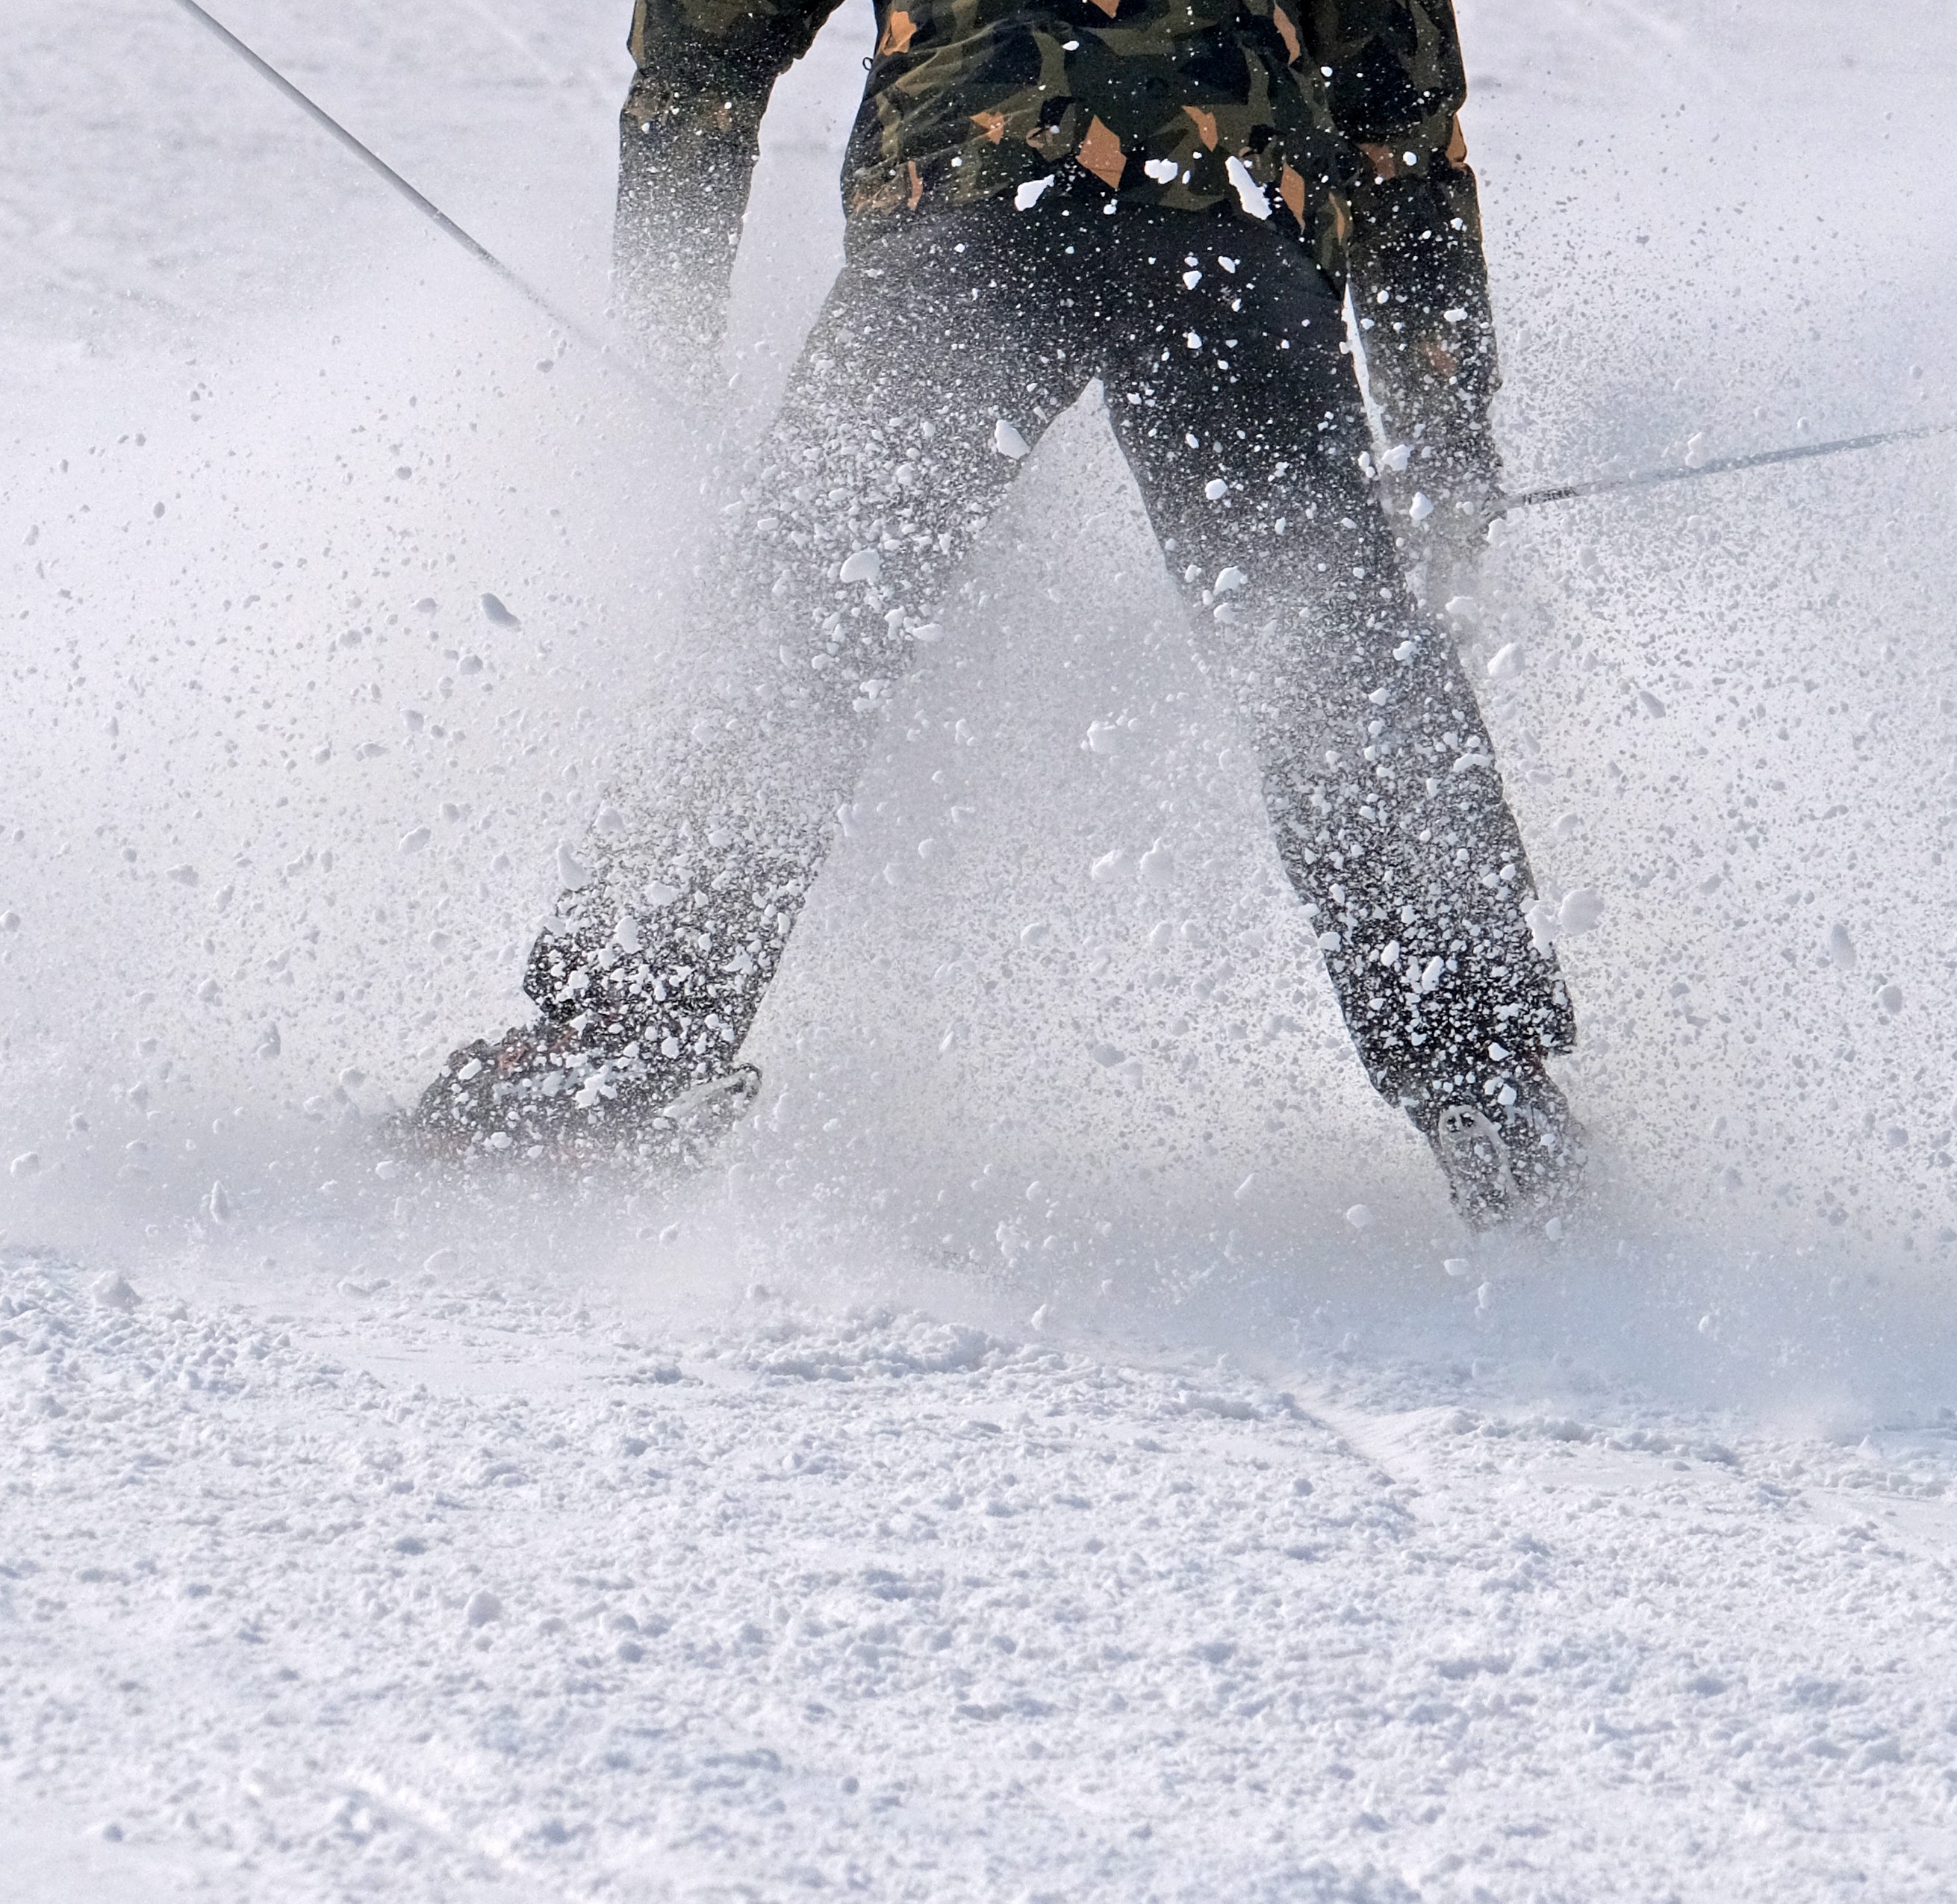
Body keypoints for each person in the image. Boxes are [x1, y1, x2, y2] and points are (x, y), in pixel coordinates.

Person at [406, 0, 1584, 1228]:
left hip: (966, 208)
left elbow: (704, 50)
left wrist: (665, 337)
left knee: (798, 621)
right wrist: (1445, 449)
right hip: (1234, 221)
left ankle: (614, 1050)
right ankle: (1491, 1088)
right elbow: (1403, 127)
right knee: (1338, 652)